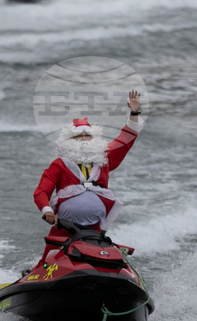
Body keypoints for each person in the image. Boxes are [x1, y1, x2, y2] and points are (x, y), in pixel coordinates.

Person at [34, 92, 144, 237]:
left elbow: (125, 139)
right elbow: (42, 191)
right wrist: (47, 210)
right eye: (79, 136)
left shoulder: (104, 158)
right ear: (69, 140)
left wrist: (134, 113)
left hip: (95, 224)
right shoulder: (59, 164)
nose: (84, 139)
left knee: (96, 250)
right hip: (65, 224)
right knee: (52, 253)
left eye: (88, 135)